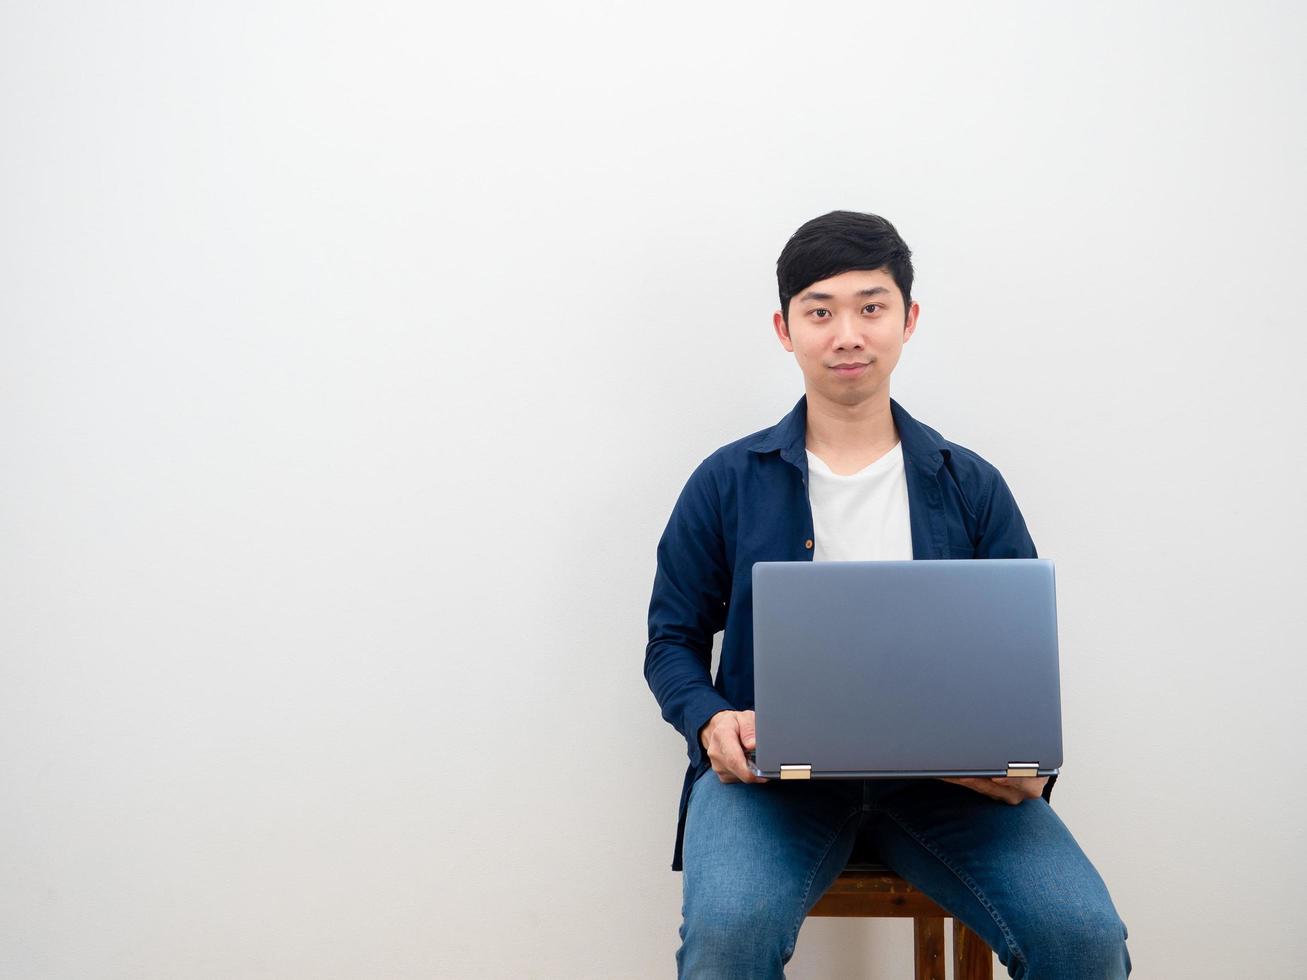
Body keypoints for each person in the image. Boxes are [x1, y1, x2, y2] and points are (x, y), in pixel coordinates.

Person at [644, 211, 1131, 979]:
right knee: (728, 934)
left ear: (907, 320)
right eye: (819, 311)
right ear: (784, 328)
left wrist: (1027, 767)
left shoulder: (967, 484)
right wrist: (710, 722)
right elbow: (670, 641)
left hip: (948, 789)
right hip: (772, 786)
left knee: (1082, 937)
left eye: (871, 308)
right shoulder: (726, 481)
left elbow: (1019, 657)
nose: (847, 334)